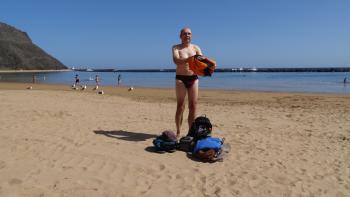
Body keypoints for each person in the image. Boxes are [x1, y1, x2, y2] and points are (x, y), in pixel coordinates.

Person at [172, 27, 205, 138]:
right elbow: (176, 61)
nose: (187, 35)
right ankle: (178, 131)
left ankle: (191, 132)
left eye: (189, 33)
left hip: (193, 78)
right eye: (185, 33)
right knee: (180, 106)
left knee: (193, 106)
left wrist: (210, 65)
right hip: (180, 78)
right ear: (180, 36)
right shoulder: (176, 47)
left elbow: (202, 61)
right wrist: (189, 59)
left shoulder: (196, 47)